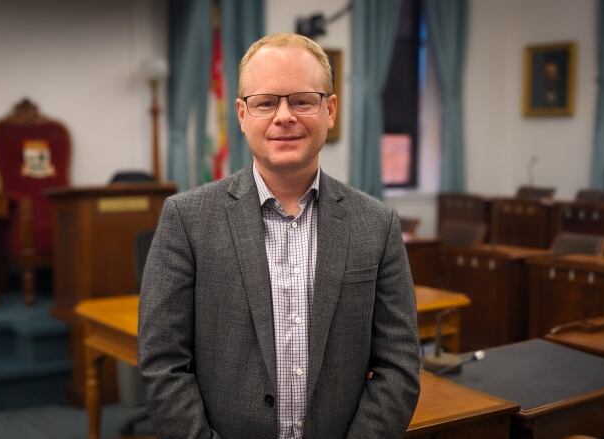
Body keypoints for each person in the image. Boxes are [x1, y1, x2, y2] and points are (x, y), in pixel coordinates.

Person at [138, 33, 420, 439]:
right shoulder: (186, 219)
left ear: (330, 110)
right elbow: (162, 363)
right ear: (241, 114)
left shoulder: (377, 224)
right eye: (266, 102)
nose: (284, 116)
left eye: (302, 100)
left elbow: (399, 363)